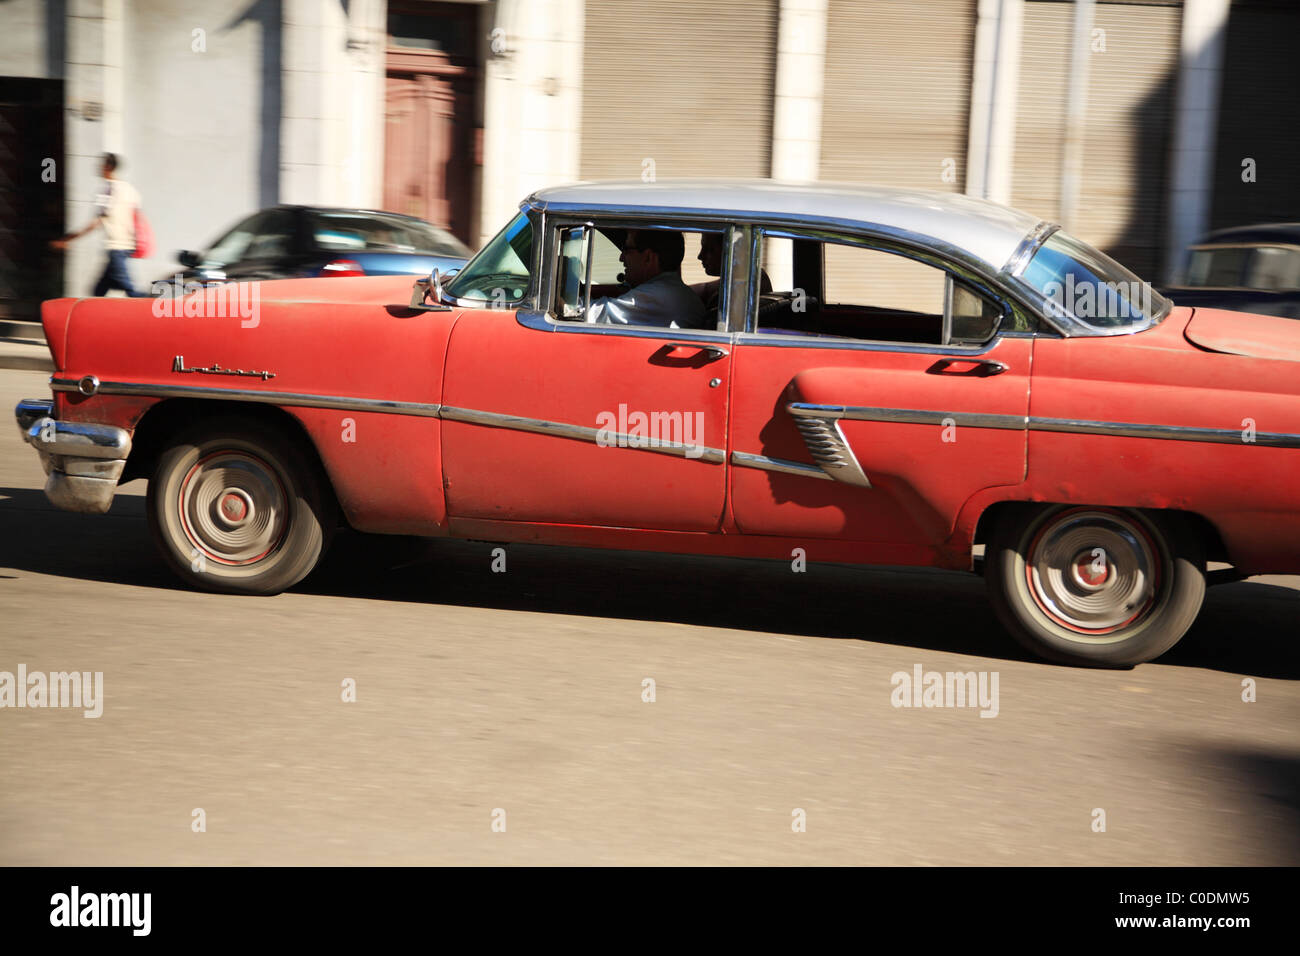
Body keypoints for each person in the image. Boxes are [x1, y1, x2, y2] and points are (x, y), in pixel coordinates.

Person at [50, 152, 147, 297]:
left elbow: (95, 223)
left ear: (108, 167)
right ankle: (96, 319)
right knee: (99, 290)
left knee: (132, 292)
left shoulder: (108, 191)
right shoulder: (130, 190)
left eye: (101, 165)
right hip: (126, 247)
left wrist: (68, 239)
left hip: (116, 248)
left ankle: (157, 310)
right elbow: (136, 216)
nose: (98, 167)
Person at [587, 229, 708, 329]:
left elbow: (590, 314)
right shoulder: (668, 289)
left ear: (648, 258)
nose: (621, 257)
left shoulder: (660, 295)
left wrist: (569, 297)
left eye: (627, 249)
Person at [691, 231, 772, 311]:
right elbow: (707, 288)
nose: (700, 256)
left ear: (732, 251)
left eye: (709, 249)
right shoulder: (754, 276)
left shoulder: (726, 298)